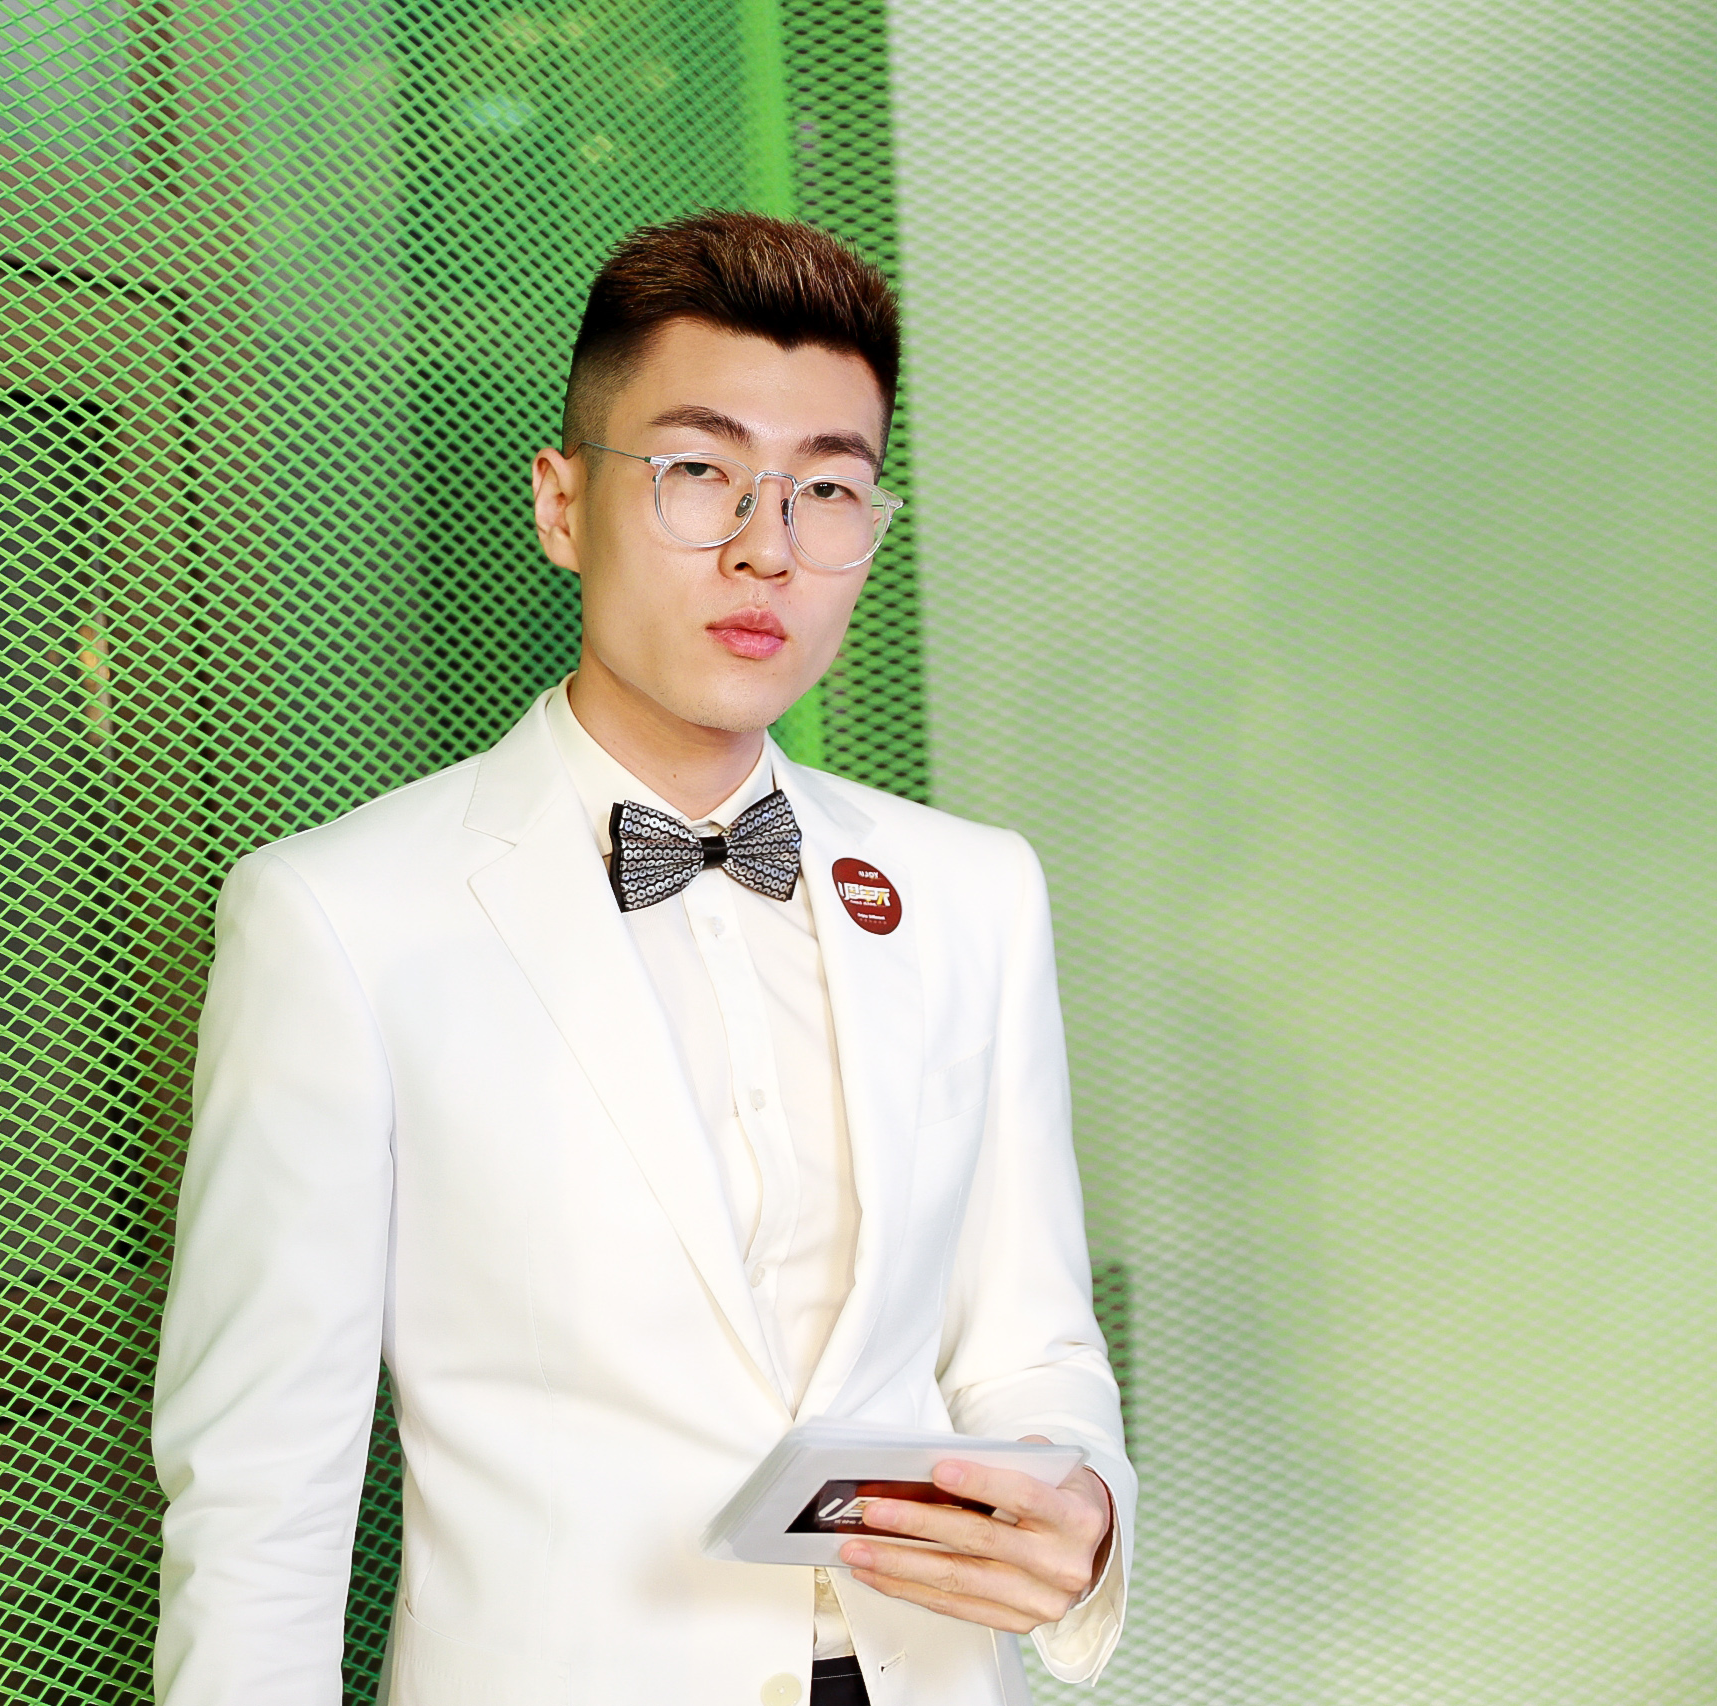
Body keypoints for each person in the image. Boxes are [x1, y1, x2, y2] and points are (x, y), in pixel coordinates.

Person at [154, 212, 1134, 1706]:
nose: (767, 546)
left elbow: (1031, 1342)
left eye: (827, 489)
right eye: (698, 472)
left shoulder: (972, 891)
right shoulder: (339, 917)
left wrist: (1082, 1504)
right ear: (562, 503)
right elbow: (262, 1490)